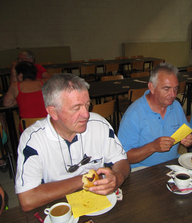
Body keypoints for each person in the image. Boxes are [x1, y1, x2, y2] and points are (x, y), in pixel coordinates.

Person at [15, 73, 130, 211]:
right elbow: (27, 199)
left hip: (99, 205)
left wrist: (117, 177)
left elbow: (121, 161)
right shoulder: (33, 140)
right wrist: (84, 180)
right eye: (76, 108)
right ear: (53, 112)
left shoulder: (99, 124)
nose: (86, 114)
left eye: (87, 105)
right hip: (58, 208)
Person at [118, 63, 192, 170]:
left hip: (172, 165)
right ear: (152, 87)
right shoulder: (134, 114)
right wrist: (152, 147)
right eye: (167, 89)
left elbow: (189, 135)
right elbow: (123, 157)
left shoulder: (176, 106)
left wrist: (190, 141)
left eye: (176, 88)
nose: (173, 95)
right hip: (142, 171)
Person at [3, 61, 48, 133]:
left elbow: (6, 103)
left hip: (27, 127)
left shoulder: (15, 86)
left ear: (20, 75)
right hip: (47, 124)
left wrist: (20, 100)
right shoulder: (44, 83)